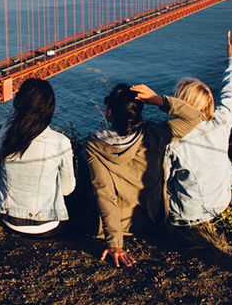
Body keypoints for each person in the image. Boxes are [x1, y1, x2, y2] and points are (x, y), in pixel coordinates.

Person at [86, 81, 203, 267]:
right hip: (153, 221)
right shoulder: (156, 134)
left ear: (109, 113)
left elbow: (104, 193)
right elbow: (194, 117)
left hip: (119, 226)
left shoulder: (94, 145)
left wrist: (115, 244)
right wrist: (158, 100)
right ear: (138, 110)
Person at [165, 30, 232, 226]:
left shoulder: (171, 140)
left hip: (184, 215)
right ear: (208, 102)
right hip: (221, 204)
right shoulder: (220, 123)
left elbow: (161, 182)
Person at [0, 78, 75, 238]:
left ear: (19, 103)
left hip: (9, 220)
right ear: (49, 108)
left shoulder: (4, 131)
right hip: (46, 226)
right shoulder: (60, 142)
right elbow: (67, 190)